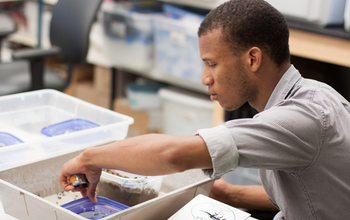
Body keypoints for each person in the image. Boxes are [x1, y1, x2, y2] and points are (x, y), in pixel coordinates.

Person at [60, 0, 350, 219]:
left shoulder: (301, 119)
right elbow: (311, 196)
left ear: (252, 59)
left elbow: (172, 155)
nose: (205, 78)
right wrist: (232, 194)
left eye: (212, 63)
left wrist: (90, 158)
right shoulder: (315, 97)